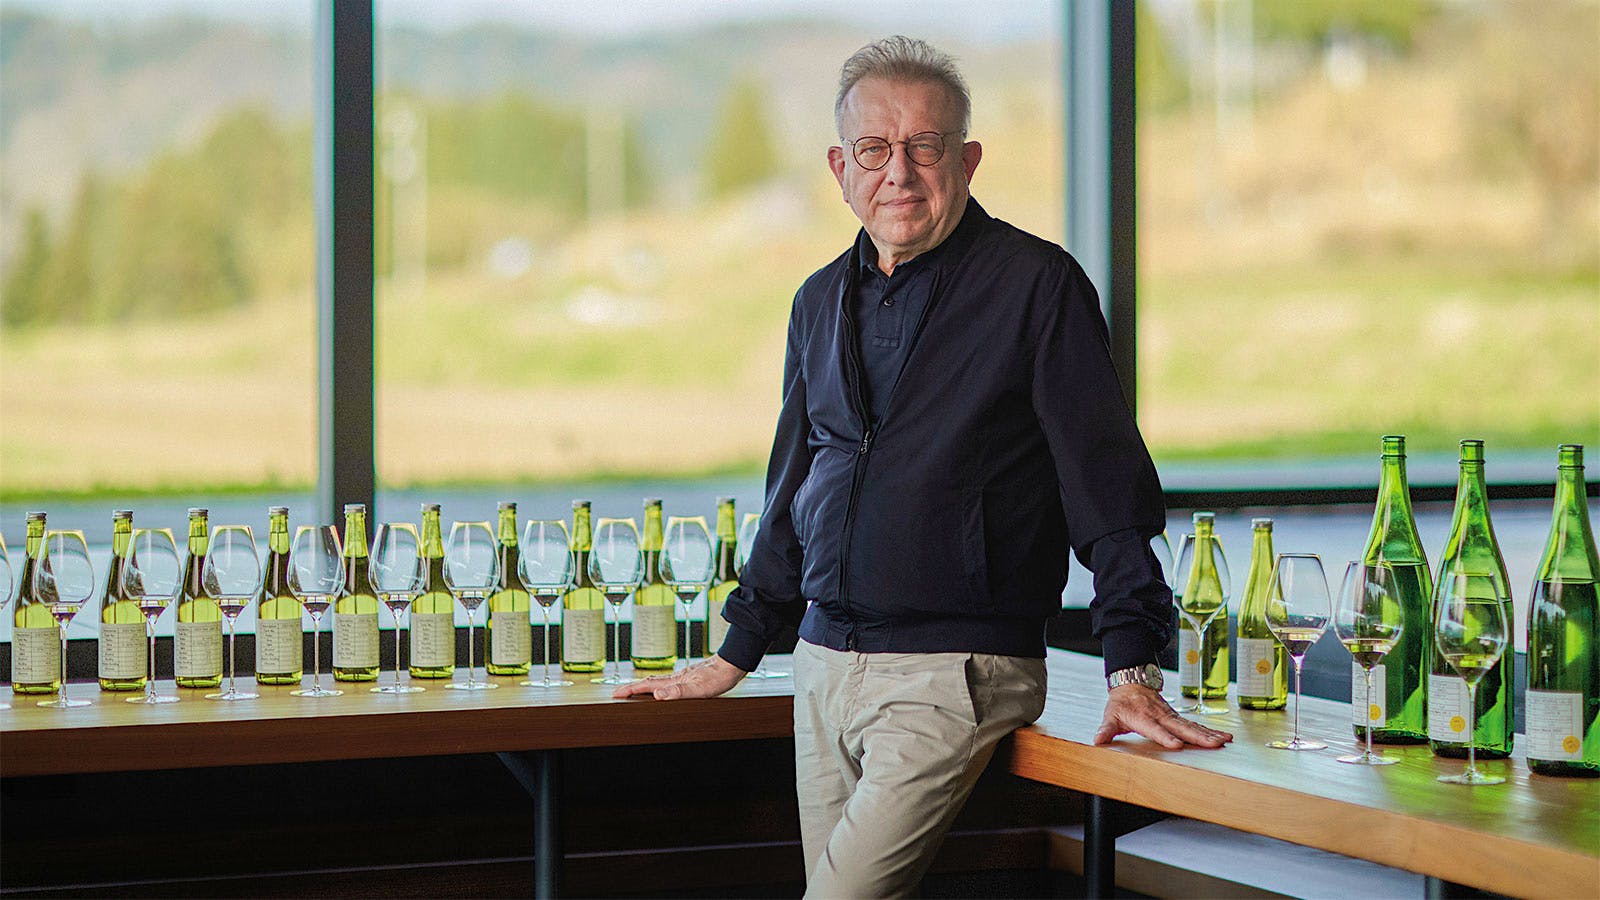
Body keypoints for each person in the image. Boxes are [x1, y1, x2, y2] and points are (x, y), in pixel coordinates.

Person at [615, 35, 1231, 897]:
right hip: (823, 666)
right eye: (874, 149)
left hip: (957, 670)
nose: (898, 172)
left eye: (925, 146)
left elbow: (1106, 483)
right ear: (841, 167)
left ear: (967, 159)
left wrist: (1132, 664)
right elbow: (794, 486)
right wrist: (739, 649)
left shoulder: (1038, 286)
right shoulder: (818, 298)